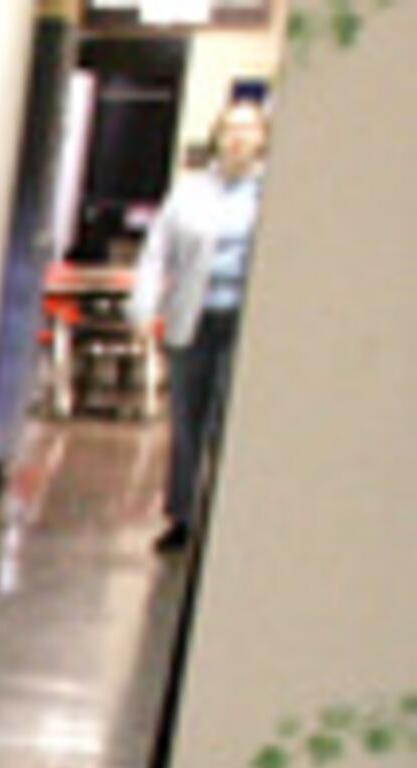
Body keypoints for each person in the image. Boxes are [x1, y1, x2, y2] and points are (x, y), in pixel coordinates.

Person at [136, 98, 266, 554]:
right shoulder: (190, 191)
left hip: (243, 322)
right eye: (230, 128)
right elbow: (158, 252)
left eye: (248, 129)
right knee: (187, 424)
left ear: (262, 137)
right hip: (194, 317)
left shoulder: (270, 193)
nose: (237, 137)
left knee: (229, 424)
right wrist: (144, 306)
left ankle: (226, 517)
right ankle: (182, 516)